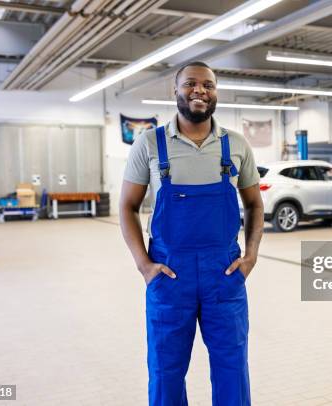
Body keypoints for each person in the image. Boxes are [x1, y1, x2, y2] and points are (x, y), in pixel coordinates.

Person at [119, 61, 264, 405]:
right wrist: (144, 265)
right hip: (170, 275)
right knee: (166, 371)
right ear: (176, 90)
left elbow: (255, 205)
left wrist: (252, 254)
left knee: (232, 368)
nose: (200, 91)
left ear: (216, 93)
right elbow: (127, 206)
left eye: (208, 85)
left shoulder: (237, 145)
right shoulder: (150, 145)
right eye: (191, 84)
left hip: (224, 274)